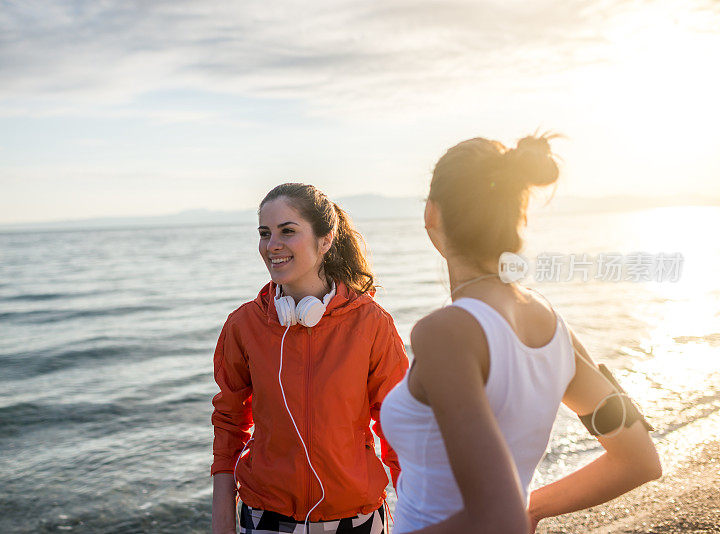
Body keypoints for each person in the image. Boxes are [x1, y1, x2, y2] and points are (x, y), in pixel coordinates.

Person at [380, 135, 661, 534]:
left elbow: (498, 516)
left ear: (431, 213)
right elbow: (639, 459)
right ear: (515, 217)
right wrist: (530, 507)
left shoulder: (446, 333)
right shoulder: (550, 323)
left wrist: (513, 511)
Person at [211, 183, 409, 534]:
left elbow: (398, 426)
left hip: (358, 519)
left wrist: (415, 511)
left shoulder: (372, 324)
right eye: (264, 233)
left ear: (325, 240)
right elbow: (229, 423)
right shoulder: (244, 325)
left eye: (288, 231)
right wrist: (222, 515)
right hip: (265, 519)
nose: (272, 245)